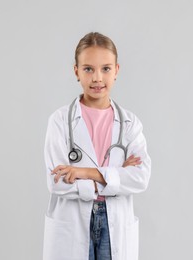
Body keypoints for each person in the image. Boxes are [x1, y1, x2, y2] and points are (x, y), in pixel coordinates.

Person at [43, 32, 151, 260]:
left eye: (106, 69)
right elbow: (58, 183)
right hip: (73, 222)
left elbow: (140, 177)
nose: (97, 78)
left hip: (115, 224)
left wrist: (83, 172)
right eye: (88, 69)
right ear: (76, 72)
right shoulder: (60, 121)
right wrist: (115, 177)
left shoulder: (130, 124)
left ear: (117, 71)